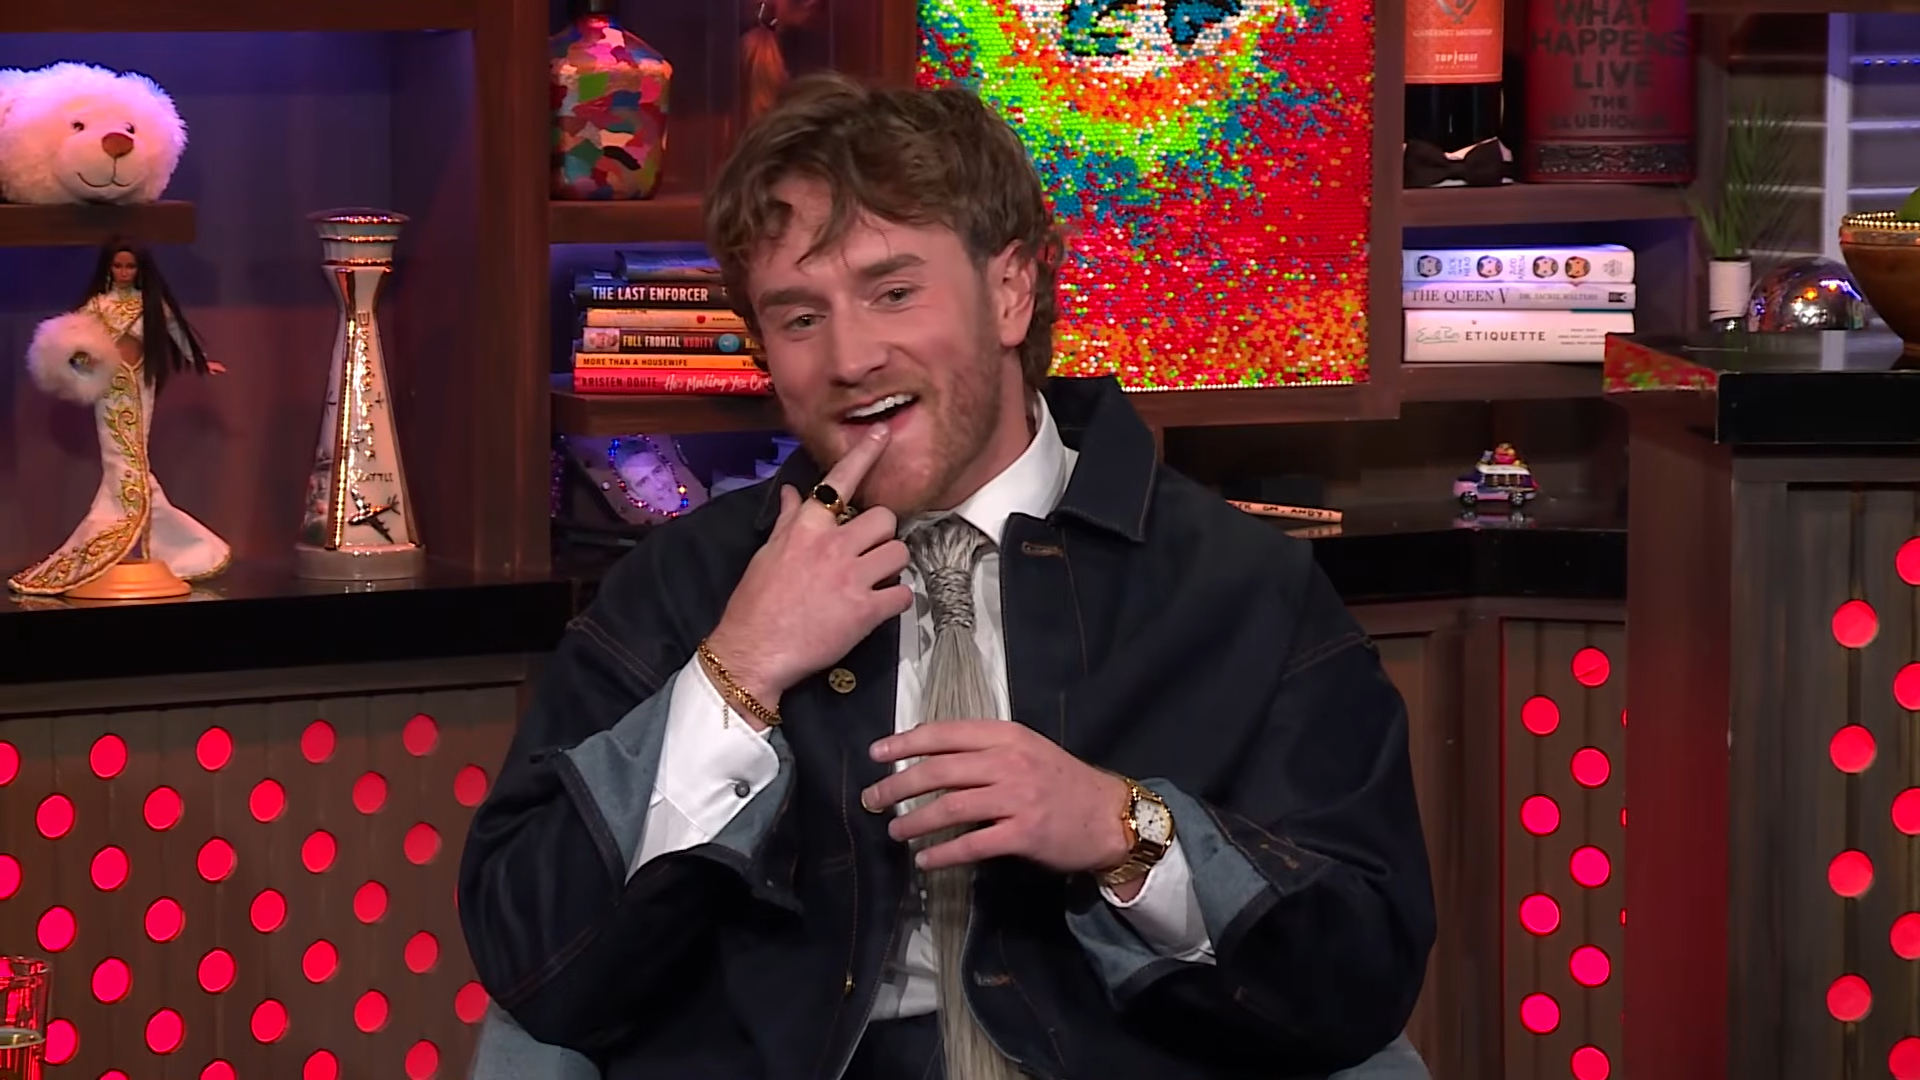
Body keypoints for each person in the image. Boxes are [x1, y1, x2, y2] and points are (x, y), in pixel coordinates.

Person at [459, 72, 1434, 1080]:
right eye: (799, 318)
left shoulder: (1236, 586)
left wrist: (1124, 832)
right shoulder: (686, 586)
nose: (850, 358)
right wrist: (738, 671)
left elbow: (1359, 977)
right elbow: (539, 966)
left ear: (1010, 292)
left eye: (893, 292)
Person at [8, 241, 229, 595]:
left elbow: (178, 335)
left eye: (130, 266)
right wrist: (80, 364)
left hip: (141, 383)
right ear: (109, 268)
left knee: (135, 458)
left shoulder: (151, 304)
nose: (124, 272)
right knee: (121, 460)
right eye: (118, 266)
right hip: (111, 387)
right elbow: (71, 344)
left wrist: (200, 362)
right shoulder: (98, 306)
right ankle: (159, 540)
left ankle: (147, 538)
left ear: (140, 269)